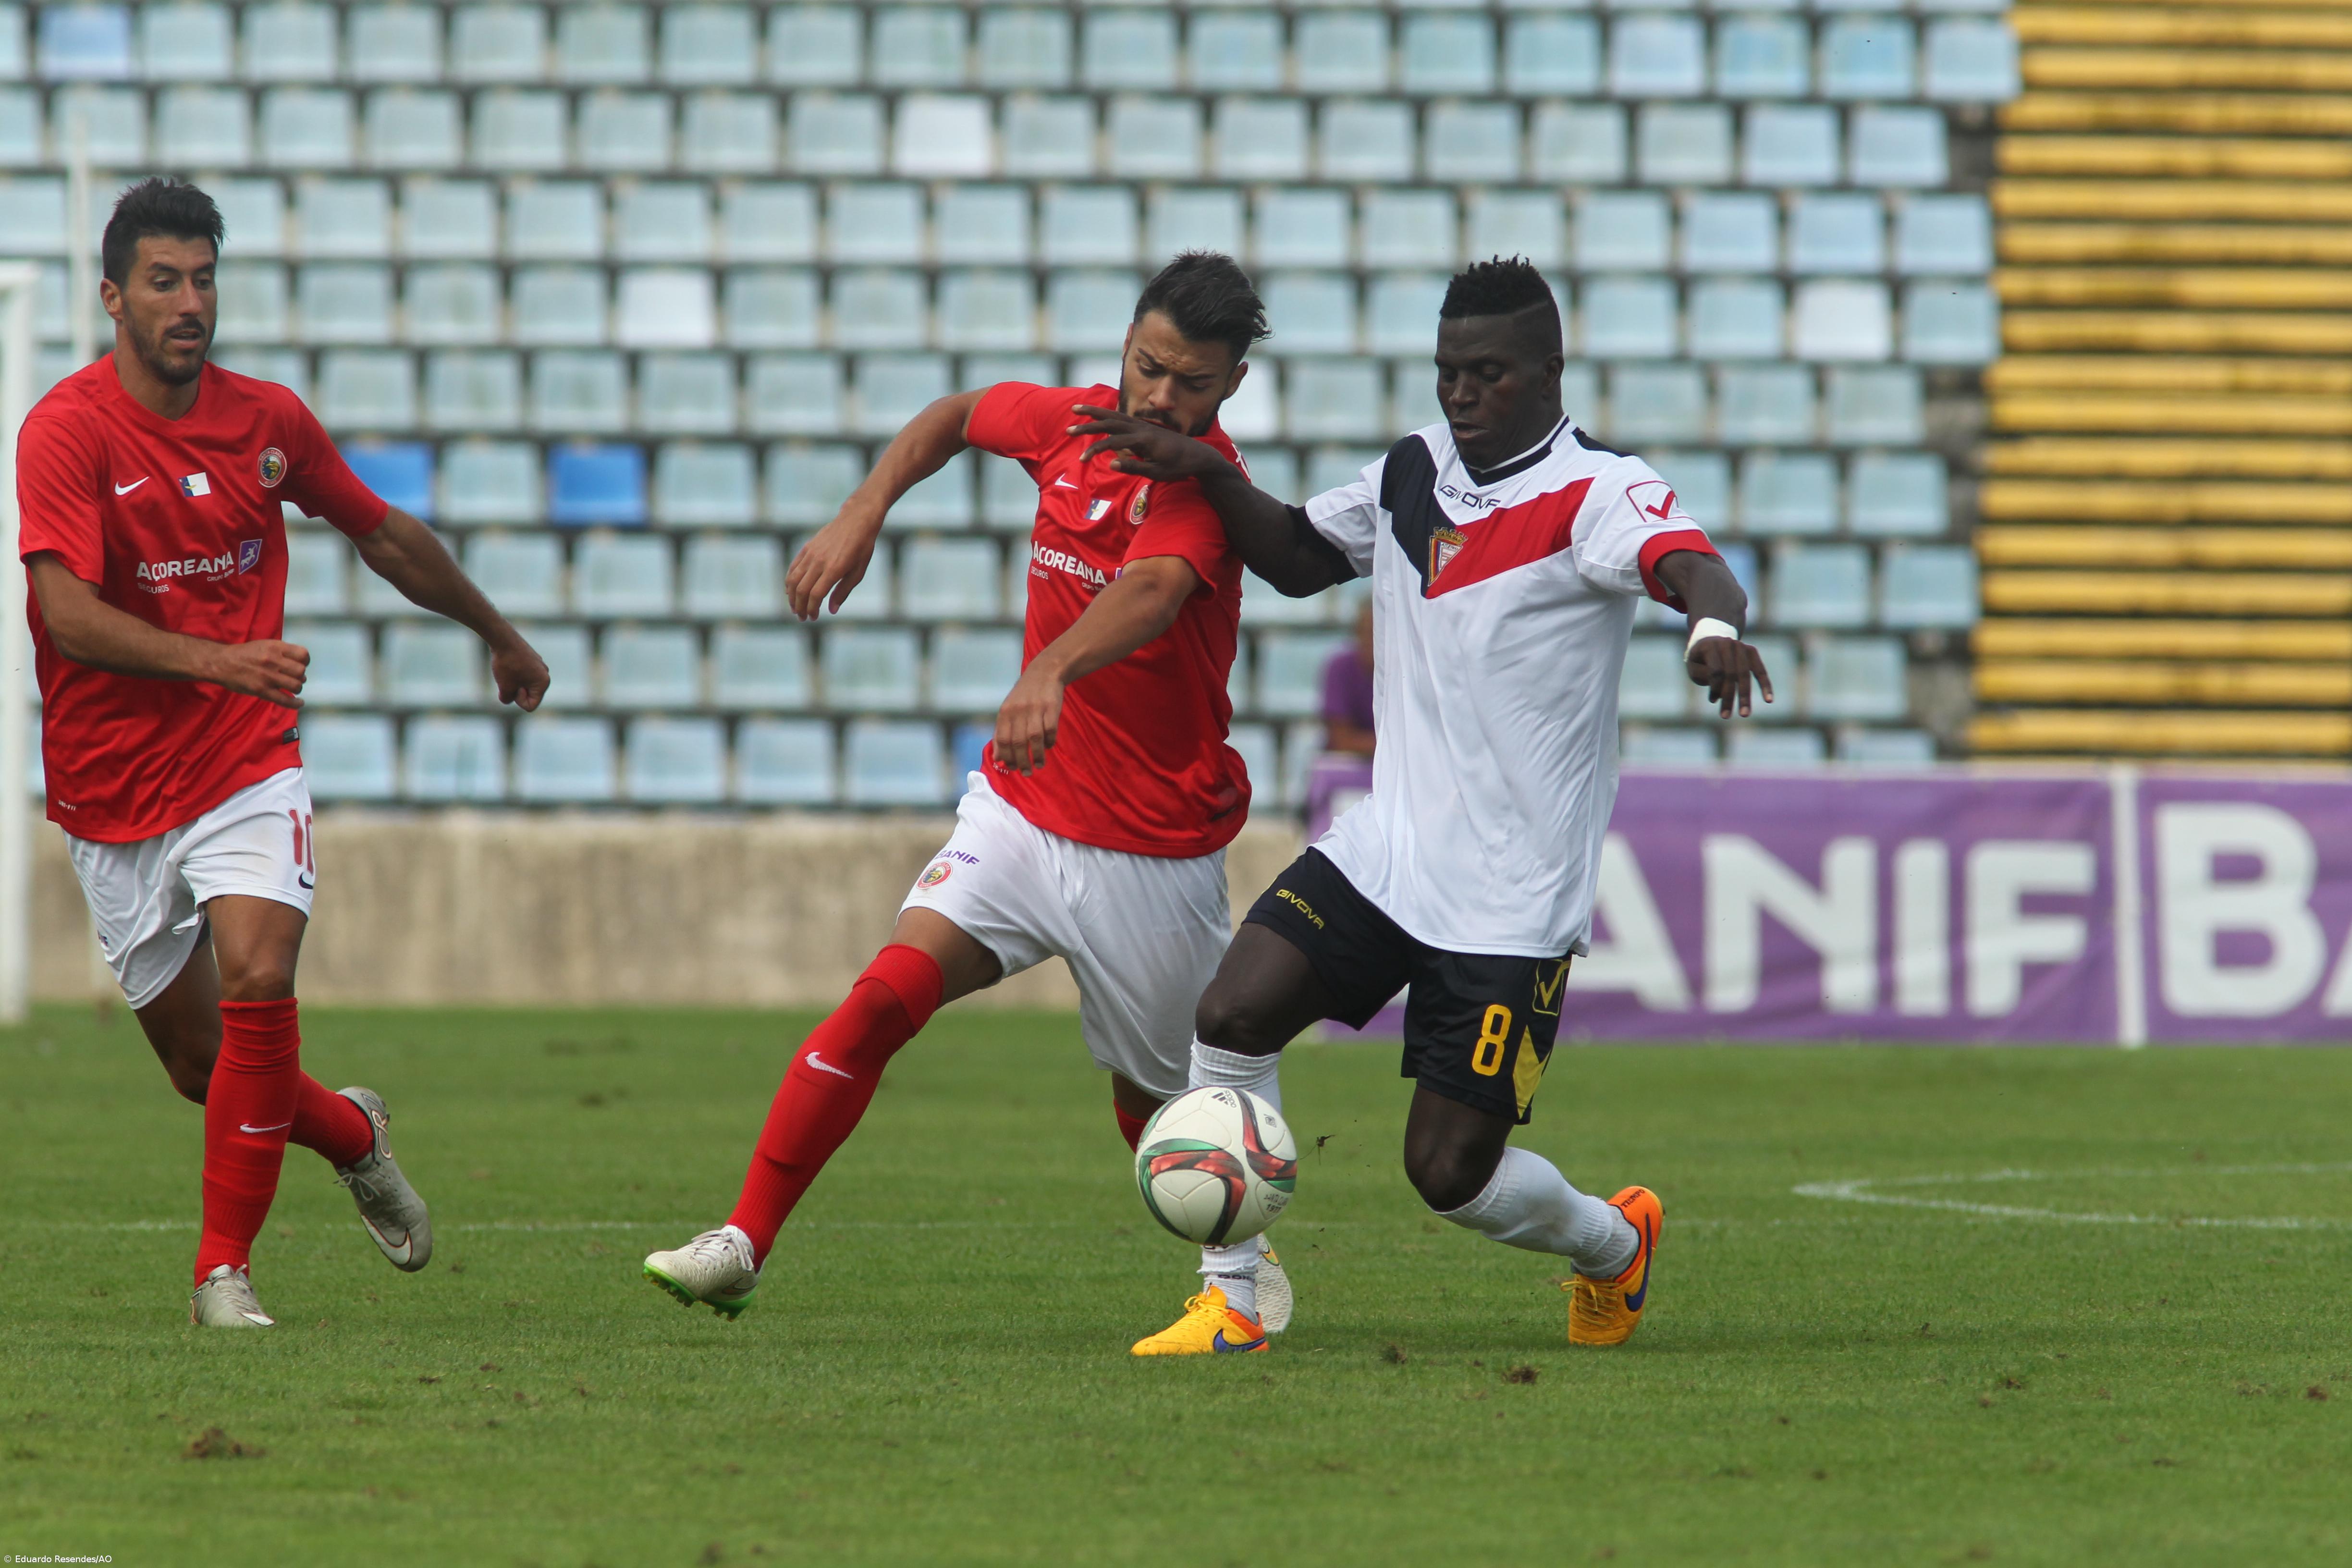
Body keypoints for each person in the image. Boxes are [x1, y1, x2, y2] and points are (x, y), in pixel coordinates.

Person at [1070, 257, 1773, 1352]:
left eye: (1485, 373)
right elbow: (1301, 556)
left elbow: (1689, 563)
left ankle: (1611, 1244)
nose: (1459, 393)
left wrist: (1711, 626)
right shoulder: (1413, 474)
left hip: (1509, 899)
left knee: (1450, 1176)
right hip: (1385, 856)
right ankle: (1234, 1299)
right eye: (1446, 372)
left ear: (1547, 372)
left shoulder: (1594, 492)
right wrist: (1204, 469)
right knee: (1229, 1017)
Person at [642, 253, 1297, 1352]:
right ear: (1125, 344)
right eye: (1146, 366)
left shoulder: (1205, 486)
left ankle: (1237, 1276)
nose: (1157, 399)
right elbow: (953, 416)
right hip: (1023, 812)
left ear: (1229, 387)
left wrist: (1050, 670)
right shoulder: (1066, 423)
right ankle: (742, 1242)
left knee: (1163, 1108)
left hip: (1150, 849)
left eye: (1189, 383)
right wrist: (864, 509)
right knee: (881, 996)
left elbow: (1150, 592)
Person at [16, 178, 551, 1328]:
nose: (189, 302)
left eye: (204, 279)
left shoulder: (268, 422)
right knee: (207, 1076)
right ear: (113, 297)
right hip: (112, 789)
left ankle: (223, 1273)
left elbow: (382, 532)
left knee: (262, 977)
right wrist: (219, 659)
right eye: (164, 281)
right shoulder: (66, 430)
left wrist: (496, 632)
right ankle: (353, 1133)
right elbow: (64, 618)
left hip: (245, 759)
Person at [1320, 600, 1376, 759]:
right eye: (1364, 632)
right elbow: (1341, 741)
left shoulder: (1408, 669)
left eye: (1378, 632)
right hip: (1349, 768)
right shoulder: (1340, 667)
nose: (1370, 640)